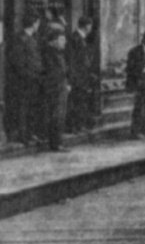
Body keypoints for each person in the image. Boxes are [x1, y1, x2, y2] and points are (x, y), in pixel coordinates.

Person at [5, 10, 43, 147]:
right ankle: (23, 135)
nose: (38, 26)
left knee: (31, 107)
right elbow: (18, 62)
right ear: (34, 24)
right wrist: (29, 76)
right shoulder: (20, 39)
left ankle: (30, 133)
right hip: (24, 81)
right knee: (23, 108)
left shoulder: (32, 38)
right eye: (38, 23)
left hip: (33, 80)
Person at [37, 14, 71, 152]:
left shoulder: (58, 53)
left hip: (60, 88)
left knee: (59, 116)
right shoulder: (49, 54)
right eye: (62, 39)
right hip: (55, 89)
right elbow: (52, 72)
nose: (64, 42)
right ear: (54, 41)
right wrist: (62, 84)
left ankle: (57, 142)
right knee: (57, 116)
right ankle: (56, 143)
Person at [66, 15, 101, 134]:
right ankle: (75, 127)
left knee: (81, 102)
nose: (91, 28)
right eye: (90, 25)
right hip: (78, 78)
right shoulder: (75, 38)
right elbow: (72, 60)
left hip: (82, 77)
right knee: (77, 102)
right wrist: (72, 78)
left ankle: (79, 125)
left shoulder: (80, 38)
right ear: (87, 26)